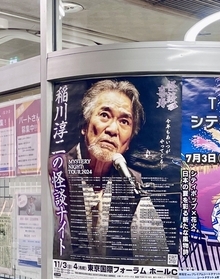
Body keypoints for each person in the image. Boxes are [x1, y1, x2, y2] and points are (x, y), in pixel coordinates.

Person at [51, 79, 162, 261]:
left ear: (128, 142)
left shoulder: (133, 183)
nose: (112, 129)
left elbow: (154, 256)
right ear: (85, 125)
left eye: (124, 121)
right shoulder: (55, 172)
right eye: (104, 115)